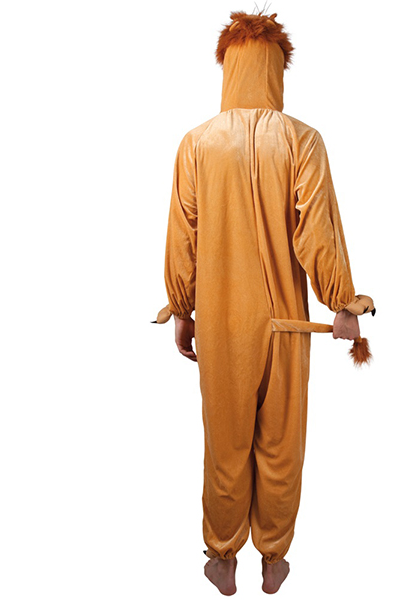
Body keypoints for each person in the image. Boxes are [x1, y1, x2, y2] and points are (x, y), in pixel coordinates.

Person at [154, 10, 373, 595]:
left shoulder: (197, 144)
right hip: (287, 326)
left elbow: (183, 237)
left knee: (225, 443)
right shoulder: (302, 140)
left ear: (229, 66)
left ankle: (222, 556)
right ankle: (274, 558)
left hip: (222, 326)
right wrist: (342, 302)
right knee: (280, 444)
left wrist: (183, 310)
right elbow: (318, 231)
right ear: (277, 68)